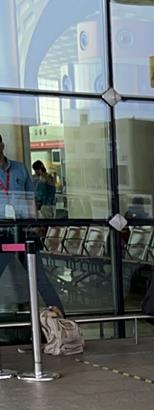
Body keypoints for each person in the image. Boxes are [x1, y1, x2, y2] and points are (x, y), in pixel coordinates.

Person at [0, 134, 65, 313]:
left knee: (39, 277)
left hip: (23, 230)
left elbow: (31, 200)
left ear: (2, 145)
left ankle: (62, 321)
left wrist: (35, 225)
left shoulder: (19, 169)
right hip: (1, 232)